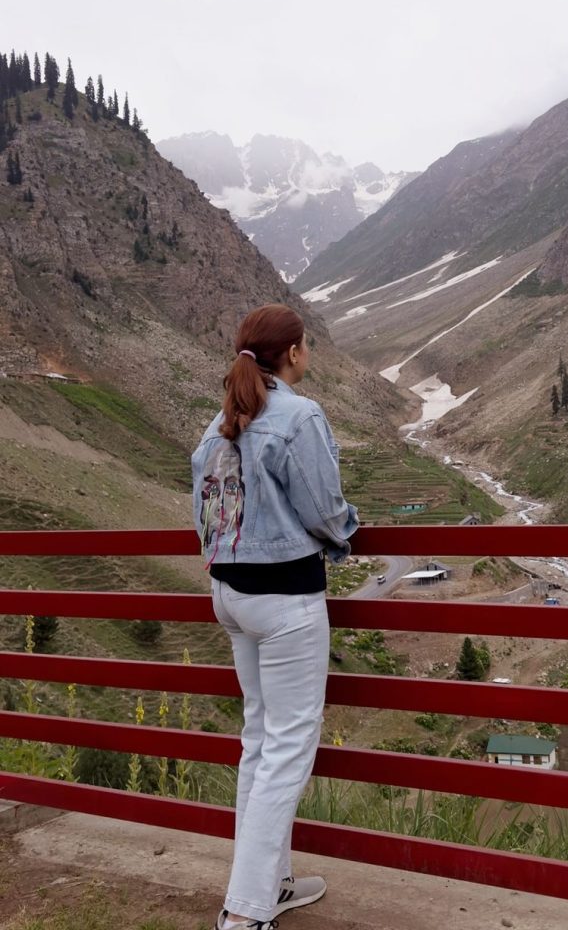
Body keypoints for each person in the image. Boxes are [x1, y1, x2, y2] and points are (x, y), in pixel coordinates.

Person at [192, 303, 359, 930]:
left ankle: (272, 884)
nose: (309, 353)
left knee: (260, 740)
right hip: (286, 600)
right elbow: (323, 507)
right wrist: (344, 535)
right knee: (289, 746)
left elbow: (205, 517)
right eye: (307, 344)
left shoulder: (219, 424)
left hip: (231, 596)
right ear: (291, 354)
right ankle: (246, 910)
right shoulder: (298, 415)